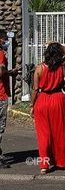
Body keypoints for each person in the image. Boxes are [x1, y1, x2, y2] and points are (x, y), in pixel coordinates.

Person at [30, 43, 65, 174]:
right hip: (58, 99)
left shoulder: (39, 68)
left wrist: (32, 105)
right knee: (62, 131)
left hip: (43, 100)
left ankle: (44, 165)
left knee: (44, 134)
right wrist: (60, 46)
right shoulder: (61, 65)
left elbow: (35, 89)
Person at [0, 30, 17, 169]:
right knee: (0, 126)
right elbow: (1, 71)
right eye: (4, 39)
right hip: (0, 94)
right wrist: (10, 72)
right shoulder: (0, 54)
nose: (6, 41)